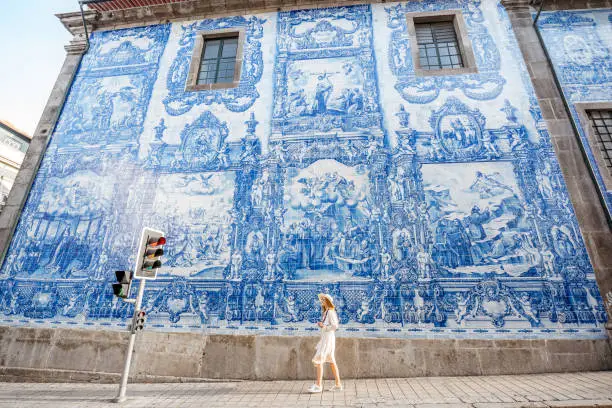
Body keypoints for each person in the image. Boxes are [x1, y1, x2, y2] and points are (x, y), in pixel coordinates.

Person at [308, 293, 342, 393]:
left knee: (319, 358)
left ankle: (318, 385)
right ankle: (338, 385)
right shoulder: (326, 312)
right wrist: (322, 325)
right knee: (331, 360)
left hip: (328, 338)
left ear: (328, 301)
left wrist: (324, 326)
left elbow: (335, 326)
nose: (322, 302)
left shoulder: (331, 312)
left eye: (323, 300)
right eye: (321, 300)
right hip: (326, 338)